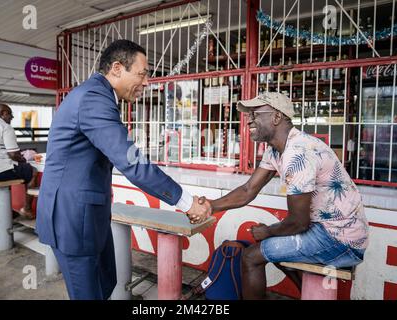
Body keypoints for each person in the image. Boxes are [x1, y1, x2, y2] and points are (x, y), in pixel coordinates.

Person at [36, 40, 211, 300]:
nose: (146, 82)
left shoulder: (97, 95)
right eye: (141, 74)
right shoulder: (93, 99)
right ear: (117, 68)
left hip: (89, 214)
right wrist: (186, 202)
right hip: (72, 218)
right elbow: (131, 161)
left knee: (107, 283)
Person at [193, 92, 369, 299]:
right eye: (249, 114)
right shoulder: (276, 150)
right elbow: (248, 190)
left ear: (277, 117)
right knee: (273, 248)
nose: (249, 119)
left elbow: (298, 223)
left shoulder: (298, 154)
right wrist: (211, 206)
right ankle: (307, 294)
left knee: (251, 256)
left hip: (340, 240)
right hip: (325, 231)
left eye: (255, 113)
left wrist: (267, 231)